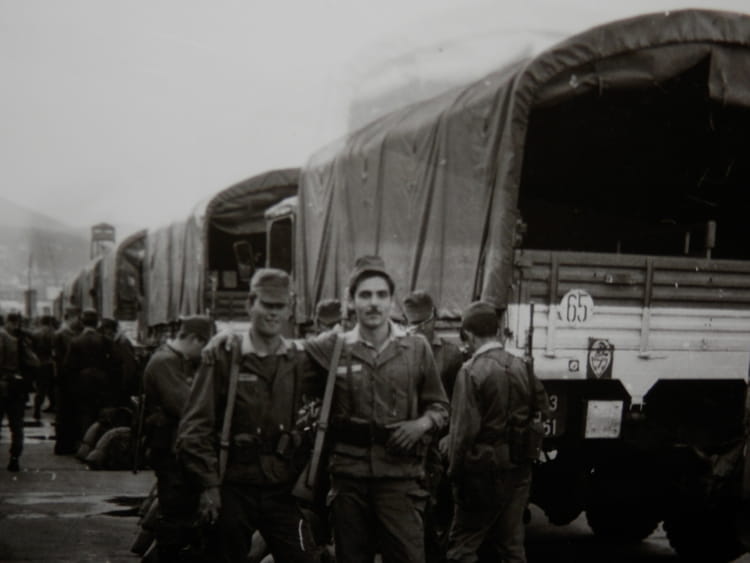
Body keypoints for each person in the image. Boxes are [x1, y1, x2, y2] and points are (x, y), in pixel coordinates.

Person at [305, 256, 450, 563]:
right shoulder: (333, 347)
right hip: (349, 480)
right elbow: (284, 358)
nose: (374, 303)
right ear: (351, 301)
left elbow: (440, 406)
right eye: (365, 295)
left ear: (392, 301)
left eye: (381, 295)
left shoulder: (416, 348)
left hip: (400, 479)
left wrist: (421, 425)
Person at [176, 269, 321, 563]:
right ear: (250, 304)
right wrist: (208, 485)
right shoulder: (224, 356)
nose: (273, 313)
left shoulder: (298, 360)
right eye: (266, 304)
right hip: (232, 486)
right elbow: (194, 429)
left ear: (289, 310)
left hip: (280, 487)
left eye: (280, 306)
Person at [443, 301, 549, 563]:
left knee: (462, 546)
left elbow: (463, 432)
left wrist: (454, 473)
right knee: (511, 546)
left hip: (482, 471)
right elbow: (542, 407)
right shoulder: (521, 365)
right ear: (498, 330)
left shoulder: (470, 372)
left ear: (469, 335)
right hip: (519, 466)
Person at [143, 315, 214, 562]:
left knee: (181, 514)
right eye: (205, 346)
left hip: (176, 449)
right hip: (170, 452)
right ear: (195, 339)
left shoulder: (175, 360)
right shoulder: (165, 362)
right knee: (176, 516)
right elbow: (188, 407)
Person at [403, 290, 465, 563]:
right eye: (411, 323)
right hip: (407, 446)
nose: (417, 329)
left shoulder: (450, 354)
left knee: (437, 512)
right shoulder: (399, 350)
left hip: (437, 447)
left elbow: (460, 402)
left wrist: (451, 437)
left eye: (422, 323)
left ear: (435, 318)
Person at [65, 308, 116, 447]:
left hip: (82, 381)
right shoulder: (105, 340)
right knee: (100, 412)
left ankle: (85, 443)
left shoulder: (76, 341)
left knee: (84, 412)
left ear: (82, 322)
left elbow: (69, 366)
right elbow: (115, 362)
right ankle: (98, 442)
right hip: (102, 380)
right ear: (97, 322)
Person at [0, 313, 29, 472]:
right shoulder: (22, 338)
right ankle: (15, 458)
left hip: (3, 383)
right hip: (17, 384)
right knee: (17, 424)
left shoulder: (2, 336)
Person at [54, 305, 83, 454]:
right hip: (65, 379)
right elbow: (60, 358)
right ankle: (63, 445)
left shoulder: (73, 333)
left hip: (70, 379)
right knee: (65, 413)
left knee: (70, 413)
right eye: (77, 317)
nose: (79, 321)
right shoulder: (62, 334)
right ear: (71, 317)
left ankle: (68, 443)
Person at [32, 315, 57, 419]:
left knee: (40, 388)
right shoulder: (53, 333)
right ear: (50, 322)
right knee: (52, 387)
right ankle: (53, 406)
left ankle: (37, 409)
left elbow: (32, 348)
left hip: (39, 362)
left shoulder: (35, 333)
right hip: (50, 363)